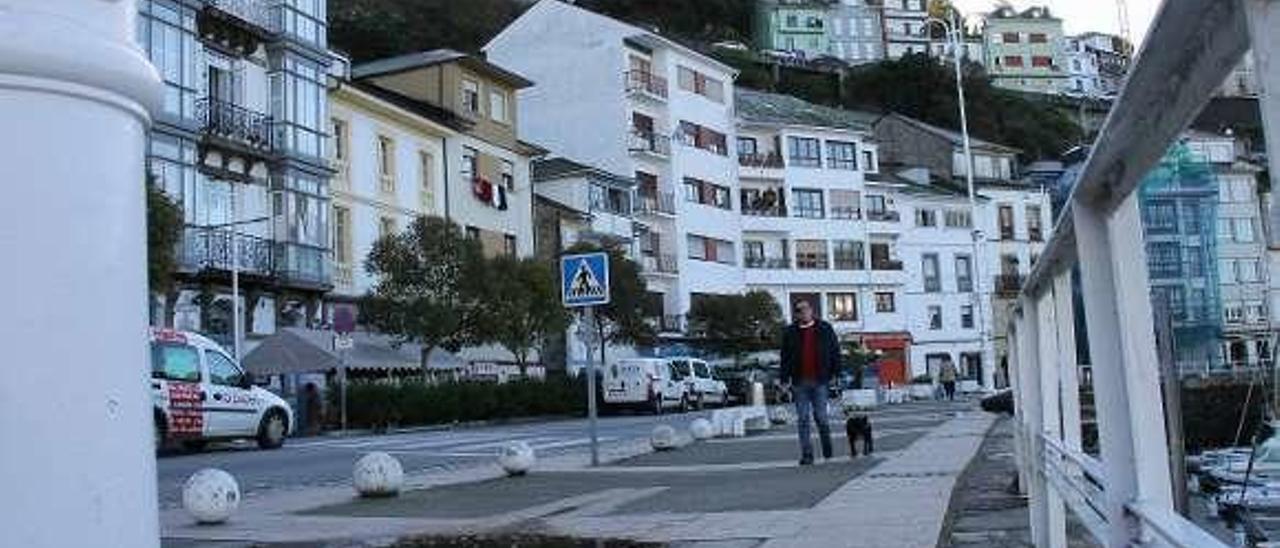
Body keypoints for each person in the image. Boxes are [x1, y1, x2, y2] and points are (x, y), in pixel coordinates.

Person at [779, 300, 841, 465]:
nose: (803, 312)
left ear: (811, 311)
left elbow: (835, 351)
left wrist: (836, 373)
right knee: (803, 418)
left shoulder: (824, 328)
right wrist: (784, 379)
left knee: (821, 417)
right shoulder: (790, 332)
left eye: (806, 309)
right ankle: (807, 455)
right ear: (796, 314)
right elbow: (784, 357)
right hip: (799, 382)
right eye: (799, 310)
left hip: (820, 380)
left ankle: (827, 450)